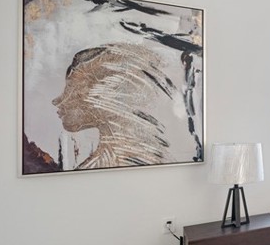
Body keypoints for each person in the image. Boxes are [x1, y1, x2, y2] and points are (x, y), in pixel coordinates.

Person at [52, 42, 178, 170]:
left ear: (109, 94)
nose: (58, 101)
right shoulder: (155, 161)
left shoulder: (121, 163)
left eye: (74, 90)